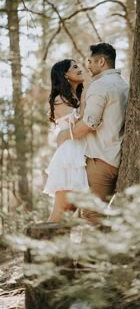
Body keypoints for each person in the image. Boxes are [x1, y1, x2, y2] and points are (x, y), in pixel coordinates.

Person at [57, 42, 129, 223]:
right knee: (98, 214)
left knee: (92, 214)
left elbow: (89, 123)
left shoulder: (101, 85)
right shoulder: (123, 84)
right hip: (115, 155)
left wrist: (65, 135)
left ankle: (96, 251)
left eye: (90, 61)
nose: (87, 66)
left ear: (102, 62)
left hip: (101, 160)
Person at [43, 59, 89, 222]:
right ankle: (41, 245)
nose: (80, 69)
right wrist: (84, 99)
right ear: (65, 74)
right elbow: (82, 122)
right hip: (69, 157)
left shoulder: (75, 97)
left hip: (81, 153)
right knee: (60, 211)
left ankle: (61, 246)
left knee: (71, 210)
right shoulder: (59, 98)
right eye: (75, 67)